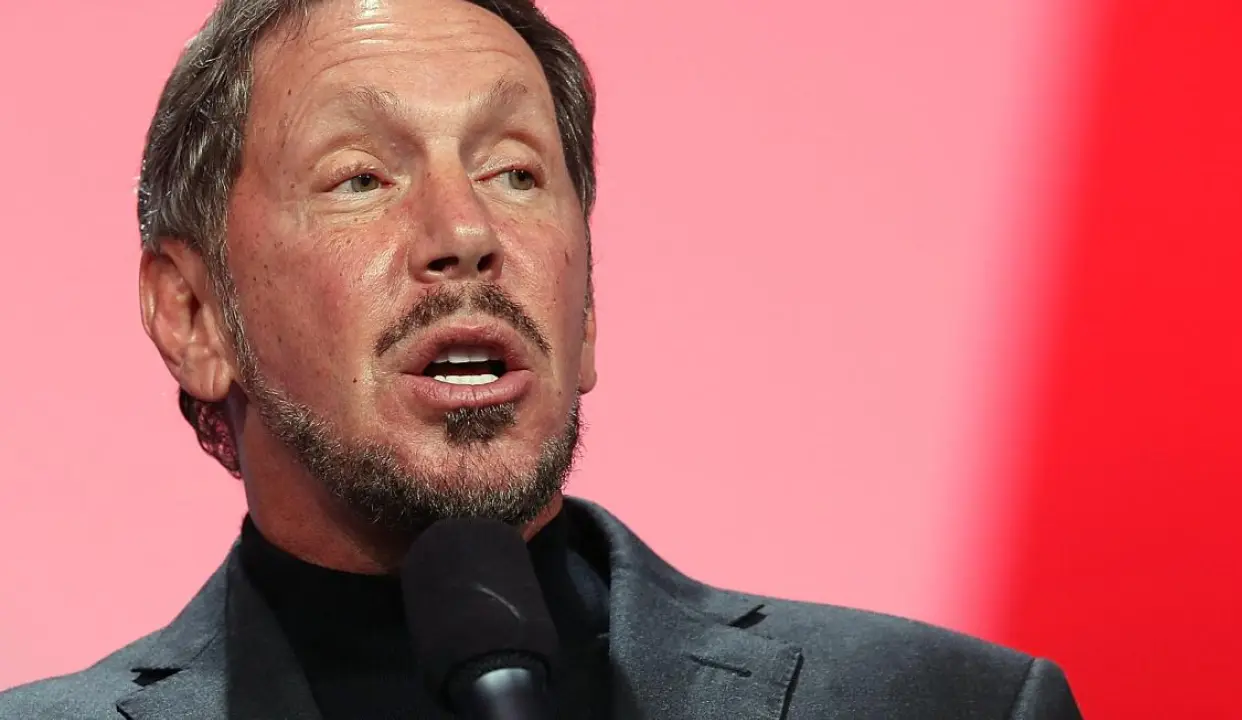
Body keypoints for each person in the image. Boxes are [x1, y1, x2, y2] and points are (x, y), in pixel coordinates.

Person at [0, 0, 1083, 717]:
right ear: (194, 315)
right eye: (362, 177)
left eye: (515, 172)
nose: (465, 231)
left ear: (588, 307)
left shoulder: (948, 706)